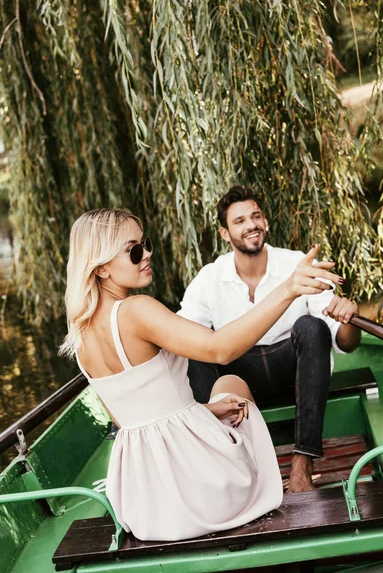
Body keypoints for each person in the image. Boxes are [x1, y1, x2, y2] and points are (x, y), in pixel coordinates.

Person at [59, 208, 344, 542]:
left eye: (145, 244)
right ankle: (281, 476)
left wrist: (206, 411)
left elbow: (132, 420)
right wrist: (288, 289)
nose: (147, 254)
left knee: (222, 394)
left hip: (146, 504)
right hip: (200, 493)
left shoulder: (79, 335)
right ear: (102, 267)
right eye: (134, 250)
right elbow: (220, 349)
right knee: (231, 383)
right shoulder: (136, 310)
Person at [178, 186, 361, 493]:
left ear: (266, 223)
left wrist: (348, 316)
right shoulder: (209, 278)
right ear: (225, 233)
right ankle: (222, 462)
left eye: (256, 216)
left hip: (292, 373)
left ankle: (303, 464)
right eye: (239, 221)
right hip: (237, 377)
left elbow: (346, 342)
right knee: (194, 346)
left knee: (311, 326)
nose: (251, 224)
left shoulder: (296, 263)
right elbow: (180, 335)